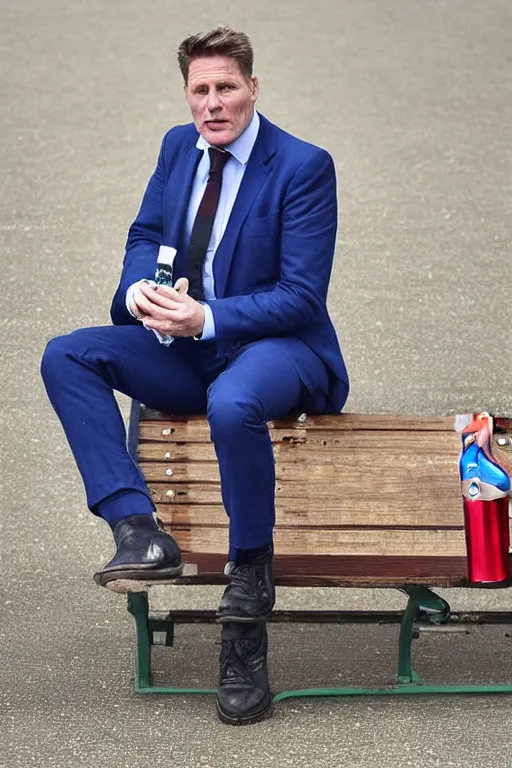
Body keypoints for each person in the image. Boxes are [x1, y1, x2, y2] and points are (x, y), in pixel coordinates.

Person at [41, 25, 349, 725]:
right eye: (200, 90)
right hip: (186, 340)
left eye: (227, 88)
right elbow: (147, 235)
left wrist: (203, 318)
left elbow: (302, 296)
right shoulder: (180, 148)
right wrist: (136, 296)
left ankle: (248, 588)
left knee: (232, 402)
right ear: (188, 96)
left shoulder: (303, 166)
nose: (214, 103)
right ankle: (137, 531)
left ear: (253, 89)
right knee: (68, 353)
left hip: (278, 346)